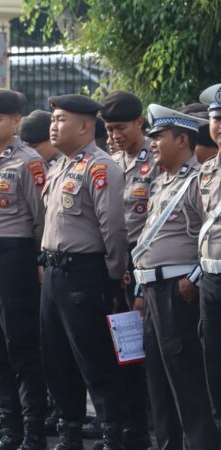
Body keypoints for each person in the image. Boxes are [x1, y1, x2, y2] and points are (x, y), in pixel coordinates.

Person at [39, 95, 127, 449]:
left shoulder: (101, 167)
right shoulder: (60, 166)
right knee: (56, 359)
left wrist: (112, 274)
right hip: (55, 274)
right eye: (53, 119)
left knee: (94, 358)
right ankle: (69, 428)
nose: (53, 126)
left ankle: (112, 432)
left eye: (61, 119)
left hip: (87, 274)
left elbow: (114, 231)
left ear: (85, 126)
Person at [132, 103, 219, 449]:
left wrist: (195, 279)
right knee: (159, 382)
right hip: (153, 290)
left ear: (182, 140)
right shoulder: (161, 181)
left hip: (178, 291)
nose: (152, 143)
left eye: (159, 137)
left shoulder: (198, 180)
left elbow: (210, 235)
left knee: (187, 382)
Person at [0, 89, 48, 450]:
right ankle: (10, 426)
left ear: (16, 122)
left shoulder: (29, 162)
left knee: (21, 347)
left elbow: (42, 220)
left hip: (15, 257)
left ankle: (33, 431)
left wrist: (37, 261)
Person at [98, 91, 155, 449]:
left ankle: (148, 420)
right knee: (121, 348)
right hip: (116, 260)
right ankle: (130, 421)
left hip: (145, 260)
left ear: (139, 123)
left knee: (148, 348)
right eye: (108, 129)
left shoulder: (157, 158)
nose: (115, 135)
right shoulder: (110, 160)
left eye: (121, 128)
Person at [198, 83, 221, 435]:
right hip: (211, 279)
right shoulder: (207, 170)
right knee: (213, 364)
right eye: (216, 118)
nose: (219, 124)